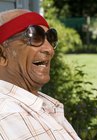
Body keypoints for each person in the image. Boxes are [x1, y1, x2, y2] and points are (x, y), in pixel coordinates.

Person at [0, 9, 81, 140]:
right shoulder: (7, 115)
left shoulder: (44, 105)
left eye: (51, 38)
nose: (49, 49)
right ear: (2, 54)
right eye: (34, 36)